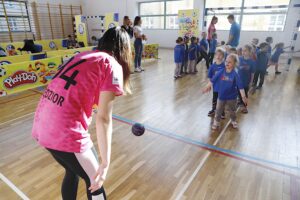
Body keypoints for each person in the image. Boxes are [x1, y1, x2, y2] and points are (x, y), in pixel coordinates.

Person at [31, 27, 132, 200]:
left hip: (41, 126)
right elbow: (104, 119)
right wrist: (106, 163)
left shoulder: (82, 55)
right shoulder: (111, 63)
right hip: (63, 131)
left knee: (73, 171)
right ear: (124, 49)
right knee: (96, 182)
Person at [203, 53, 247, 129]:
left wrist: (243, 97)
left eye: (230, 62)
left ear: (234, 64)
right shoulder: (221, 71)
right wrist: (208, 86)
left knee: (232, 110)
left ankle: (233, 120)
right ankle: (216, 122)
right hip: (221, 96)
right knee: (218, 110)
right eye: (226, 61)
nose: (227, 63)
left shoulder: (235, 74)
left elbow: (240, 86)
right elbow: (213, 79)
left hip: (232, 97)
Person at [207, 48, 225, 117]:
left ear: (223, 56)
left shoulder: (224, 66)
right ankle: (214, 109)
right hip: (215, 87)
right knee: (215, 99)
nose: (218, 56)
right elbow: (209, 76)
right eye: (217, 55)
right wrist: (209, 85)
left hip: (223, 87)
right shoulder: (212, 66)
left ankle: (222, 111)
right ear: (214, 56)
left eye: (220, 55)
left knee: (222, 99)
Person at [237, 45, 255, 113]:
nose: (243, 52)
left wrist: (251, 82)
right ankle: (240, 102)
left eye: (245, 51)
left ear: (250, 52)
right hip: (238, 80)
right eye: (242, 50)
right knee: (239, 92)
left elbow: (252, 73)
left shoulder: (252, 62)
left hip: (246, 81)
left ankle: (244, 106)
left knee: (245, 94)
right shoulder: (239, 58)